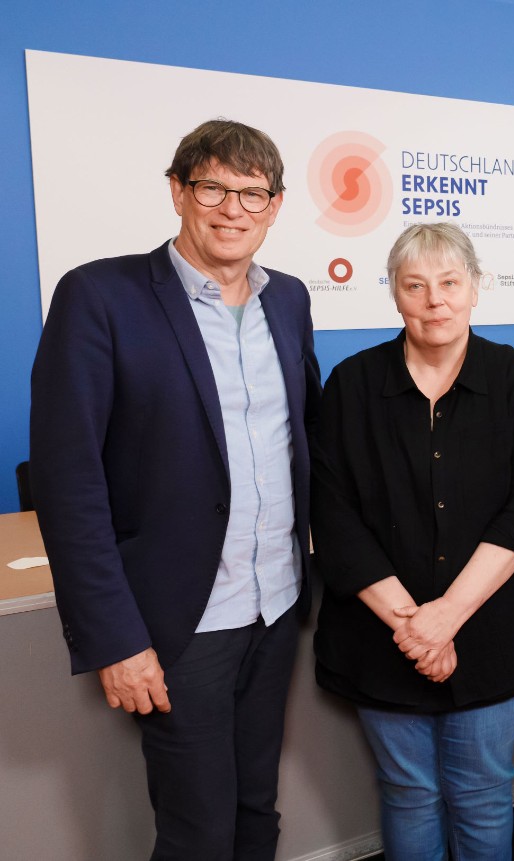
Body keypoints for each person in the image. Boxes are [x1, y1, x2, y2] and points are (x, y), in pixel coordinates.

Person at [29, 119, 320, 861]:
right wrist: (117, 638)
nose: (233, 209)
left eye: (252, 193)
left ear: (275, 205)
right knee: (196, 830)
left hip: (276, 604)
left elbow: (299, 444)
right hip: (179, 622)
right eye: (213, 187)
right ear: (177, 192)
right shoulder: (100, 295)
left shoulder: (287, 299)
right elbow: (69, 484)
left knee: (258, 807)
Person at [311, 223, 514, 861]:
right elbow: (333, 516)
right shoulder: (352, 383)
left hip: (490, 629)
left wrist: (446, 618)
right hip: (382, 636)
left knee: (482, 792)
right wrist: (413, 627)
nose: (434, 300)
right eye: (415, 285)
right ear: (393, 294)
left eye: (450, 283)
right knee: (407, 791)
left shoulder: (513, 377)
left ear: (476, 289)